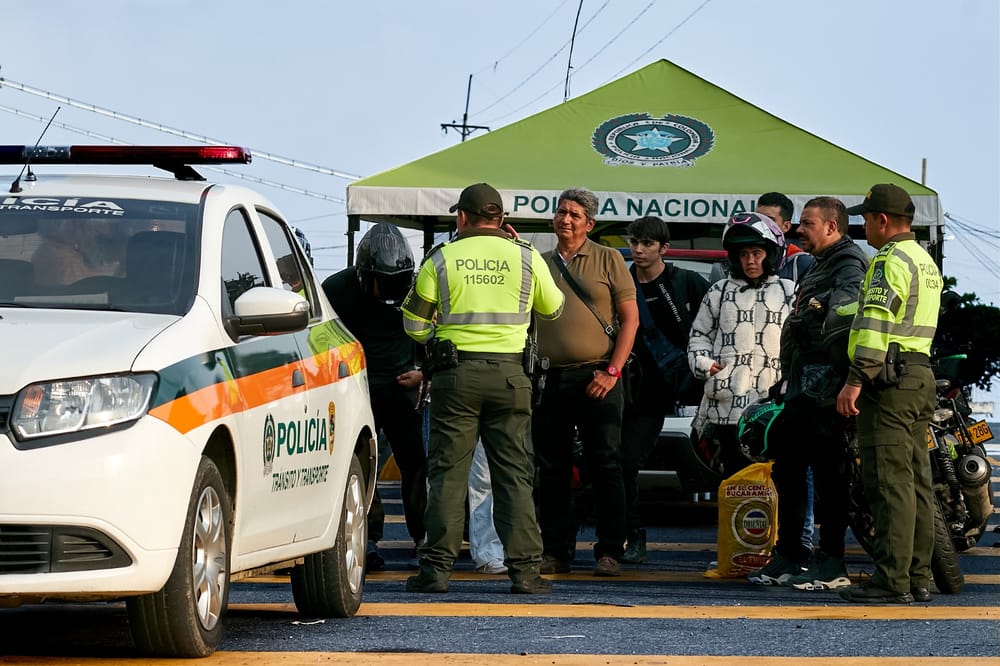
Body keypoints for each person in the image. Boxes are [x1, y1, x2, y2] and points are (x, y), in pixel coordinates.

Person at [401, 182, 564, 594]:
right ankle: (525, 573)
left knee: (447, 475)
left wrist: (440, 336)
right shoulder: (526, 256)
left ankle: (435, 572)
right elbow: (553, 307)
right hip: (511, 378)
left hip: (455, 378)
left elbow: (414, 326)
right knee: (514, 475)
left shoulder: (440, 258)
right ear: (502, 219)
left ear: (462, 217)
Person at [746, 197, 869, 589]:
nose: (800, 230)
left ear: (831, 226)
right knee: (788, 467)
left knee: (832, 475)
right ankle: (790, 555)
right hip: (803, 385)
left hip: (828, 388)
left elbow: (845, 317)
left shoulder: (848, 263)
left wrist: (843, 378)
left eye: (808, 223)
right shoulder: (820, 263)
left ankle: (831, 562)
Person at [836, 184, 942, 604]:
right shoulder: (923, 260)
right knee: (916, 482)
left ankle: (891, 580)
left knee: (888, 482)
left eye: (865, 219)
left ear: (882, 220)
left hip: (889, 382)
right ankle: (917, 576)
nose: (862, 228)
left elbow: (877, 322)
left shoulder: (888, 260)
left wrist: (855, 379)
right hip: (919, 374)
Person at [532, 187, 639, 578]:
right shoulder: (540, 262)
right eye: (561, 212)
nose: (566, 219)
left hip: (599, 375)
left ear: (589, 223)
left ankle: (610, 550)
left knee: (606, 464)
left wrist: (612, 372)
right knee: (552, 468)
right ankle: (555, 551)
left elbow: (630, 320)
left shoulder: (609, 259)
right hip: (550, 377)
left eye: (575, 214)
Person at [322, 223, 428, 571]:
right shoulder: (335, 289)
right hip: (358, 390)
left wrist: (423, 371)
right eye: (383, 282)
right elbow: (322, 338)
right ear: (363, 274)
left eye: (397, 282)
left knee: (416, 463)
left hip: (402, 388)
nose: (390, 290)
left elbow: (434, 331)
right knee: (361, 464)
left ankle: (423, 536)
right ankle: (365, 537)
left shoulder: (417, 286)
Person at [620, 216, 708, 564]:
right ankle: (629, 535)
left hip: (677, 391)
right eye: (634, 242)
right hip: (628, 388)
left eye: (647, 243)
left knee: (627, 460)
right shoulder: (621, 283)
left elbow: (714, 325)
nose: (639, 250)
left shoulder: (686, 282)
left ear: (664, 248)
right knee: (621, 462)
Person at [687, 212, 795, 479]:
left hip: (773, 406)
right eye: (743, 254)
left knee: (779, 480)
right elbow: (699, 335)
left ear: (770, 254)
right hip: (727, 405)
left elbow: (800, 341)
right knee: (734, 481)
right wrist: (705, 364)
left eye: (757, 253)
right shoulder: (719, 291)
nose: (750, 260)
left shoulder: (789, 291)